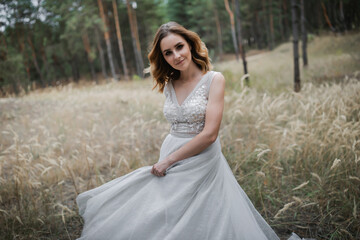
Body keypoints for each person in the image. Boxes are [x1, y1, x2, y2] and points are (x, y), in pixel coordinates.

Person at [76, 22, 304, 240]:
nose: (176, 56)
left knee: (205, 211)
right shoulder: (169, 84)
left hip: (201, 156)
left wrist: (168, 161)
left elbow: (210, 134)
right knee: (168, 210)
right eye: (167, 53)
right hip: (171, 149)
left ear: (190, 45)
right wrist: (167, 158)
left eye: (179, 47)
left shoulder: (214, 80)